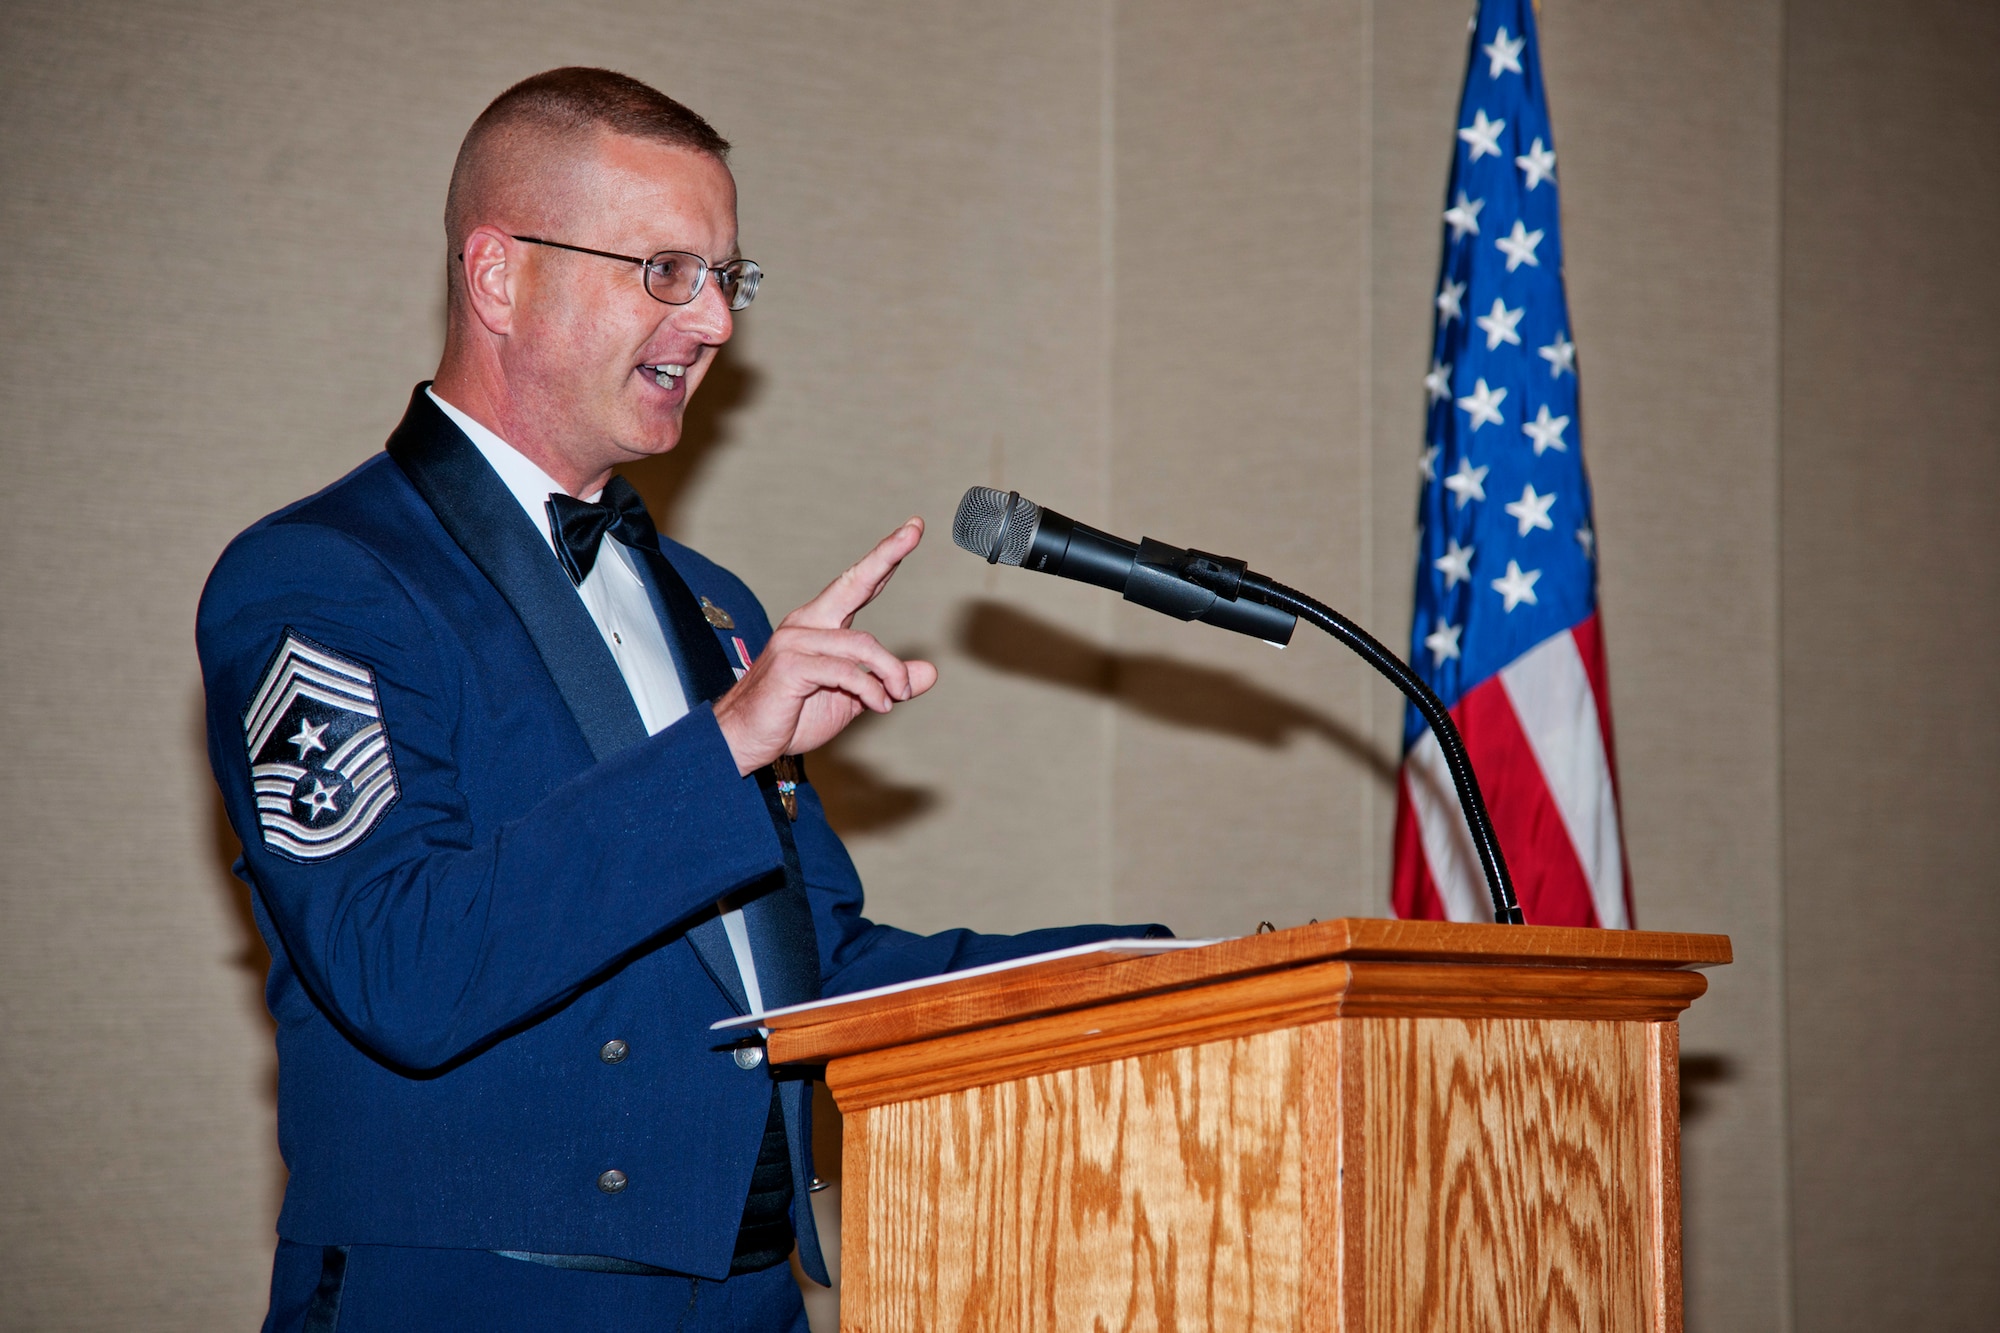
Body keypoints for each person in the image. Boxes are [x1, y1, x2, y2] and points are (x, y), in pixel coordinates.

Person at [197, 67, 1165, 1333]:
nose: (711, 322)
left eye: (725, 278)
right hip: (478, 1299)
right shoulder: (324, 577)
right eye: (663, 270)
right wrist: (723, 748)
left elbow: (811, 971)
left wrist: (1133, 973)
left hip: (753, 1298)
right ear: (500, 277)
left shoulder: (711, 605)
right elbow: (401, 966)